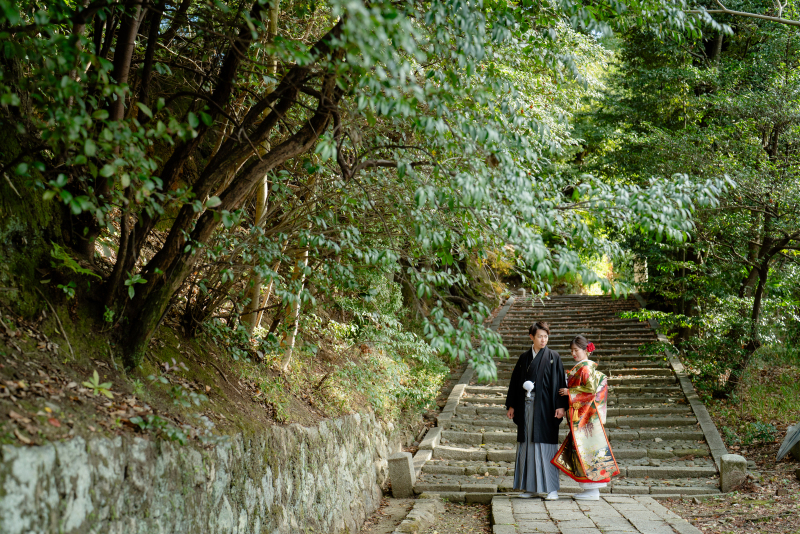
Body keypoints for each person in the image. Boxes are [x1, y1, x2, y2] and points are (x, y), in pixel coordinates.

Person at [505, 321, 568, 500]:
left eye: (546, 336)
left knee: (546, 445)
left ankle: (552, 489)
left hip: (547, 408)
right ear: (531, 337)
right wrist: (512, 405)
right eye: (540, 336)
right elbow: (515, 383)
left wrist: (561, 406)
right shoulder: (524, 358)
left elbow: (560, 383)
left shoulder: (553, 357)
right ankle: (530, 488)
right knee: (527, 445)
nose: (543, 339)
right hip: (526, 406)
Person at [552, 335, 620, 500]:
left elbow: (590, 391)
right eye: (572, 351)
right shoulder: (582, 368)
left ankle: (592, 490)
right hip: (584, 416)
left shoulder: (585, 369)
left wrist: (570, 392)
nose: (573, 353)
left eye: (576, 350)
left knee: (587, 450)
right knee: (584, 450)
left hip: (586, 417)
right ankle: (590, 489)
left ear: (585, 350)